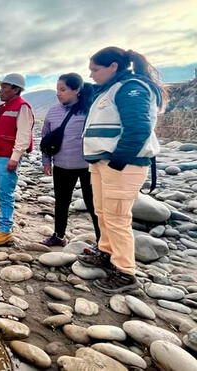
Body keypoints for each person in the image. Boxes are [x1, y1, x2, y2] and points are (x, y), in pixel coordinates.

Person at [78, 47, 165, 294]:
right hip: (102, 162)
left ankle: (125, 271)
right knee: (103, 212)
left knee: (117, 217)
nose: (91, 74)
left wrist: (119, 159)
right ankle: (106, 251)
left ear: (113, 66)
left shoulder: (132, 87)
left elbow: (138, 127)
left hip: (120, 164)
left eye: (95, 69)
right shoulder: (110, 88)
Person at [40, 73, 100, 246]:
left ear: (77, 90)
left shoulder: (90, 110)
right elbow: (46, 136)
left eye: (63, 89)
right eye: (57, 89)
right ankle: (59, 236)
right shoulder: (53, 110)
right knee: (61, 201)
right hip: (62, 165)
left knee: (93, 204)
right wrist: (46, 161)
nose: (58, 93)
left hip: (89, 166)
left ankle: (102, 243)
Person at [0, 73, 34, 245]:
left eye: (4, 87)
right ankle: (2, 221)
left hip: (8, 156)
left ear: (16, 89)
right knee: (1, 189)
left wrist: (15, 157)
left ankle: (5, 230)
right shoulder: (7, 106)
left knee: (6, 192)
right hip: (1, 154)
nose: (1, 90)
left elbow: (23, 135)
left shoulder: (22, 107)